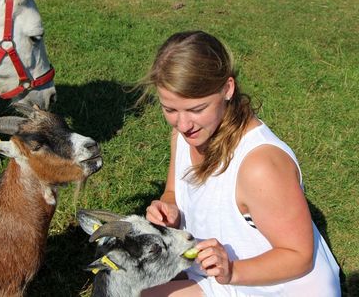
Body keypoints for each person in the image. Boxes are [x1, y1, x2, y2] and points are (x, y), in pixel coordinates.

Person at [139, 30, 341, 296]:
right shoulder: (183, 136)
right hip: (220, 278)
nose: (184, 124)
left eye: (197, 109)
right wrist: (169, 208)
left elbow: (299, 255)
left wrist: (232, 270)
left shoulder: (260, 166)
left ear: (227, 89)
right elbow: (175, 192)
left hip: (277, 287)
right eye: (170, 110)